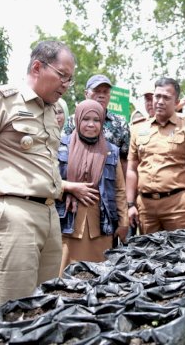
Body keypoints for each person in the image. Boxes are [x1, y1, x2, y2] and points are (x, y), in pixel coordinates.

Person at [0, 40, 74, 314]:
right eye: (62, 75)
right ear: (37, 66)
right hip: (12, 214)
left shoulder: (49, 111)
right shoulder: (0, 100)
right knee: (15, 312)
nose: (66, 84)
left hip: (48, 214)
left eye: (70, 78)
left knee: (45, 307)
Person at [126, 77, 185, 234]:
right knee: (149, 256)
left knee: (182, 254)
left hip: (178, 207)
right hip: (146, 209)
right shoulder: (138, 129)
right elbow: (131, 170)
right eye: (157, 96)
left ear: (176, 101)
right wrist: (130, 205)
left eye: (166, 97)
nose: (159, 101)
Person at [57, 100, 129, 271]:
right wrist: (69, 187)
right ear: (77, 120)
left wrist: (123, 222)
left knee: (99, 279)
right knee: (65, 280)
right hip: (67, 226)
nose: (91, 124)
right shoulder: (60, 147)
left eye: (96, 120)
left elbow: (119, 189)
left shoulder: (111, 151)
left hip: (101, 226)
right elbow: (47, 180)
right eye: (86, 119)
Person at [65, 74, 130, 175]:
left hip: (110, 183)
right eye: (97, 91)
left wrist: (126, 190)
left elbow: (125, 160)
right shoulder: (72, 121)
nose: (101, 95)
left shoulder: (120, 124)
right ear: (86, 94)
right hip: (76, 181)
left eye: (105, 92)